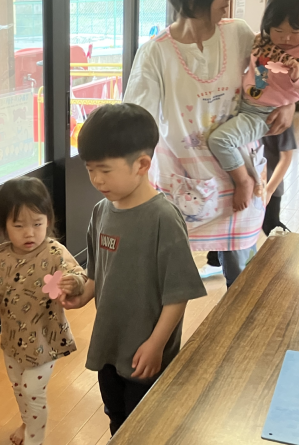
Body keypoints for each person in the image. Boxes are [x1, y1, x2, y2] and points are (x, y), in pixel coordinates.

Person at [123, 0, 296, 287]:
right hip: (186, 187)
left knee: (241, 279)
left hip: (240, 178)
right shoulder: (155, 54)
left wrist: (288, 103)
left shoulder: (239, 34)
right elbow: (136, 124)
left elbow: (272, 72)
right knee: (171, 283)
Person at [60, 104, 207, 435]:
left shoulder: (163, 219)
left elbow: (178, 294)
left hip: (146, 351)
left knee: (146, 427)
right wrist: (81, 294)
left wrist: (156, 344)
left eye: (105, 170)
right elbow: (97, 274)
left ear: (142, 164)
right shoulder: (101, 212)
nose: (96, 179)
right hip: (109, 344)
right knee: (116, 417)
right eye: (90, 169)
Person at [0, 177, 86, 445]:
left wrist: (74, 282)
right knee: (19, 389)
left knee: (32, 390)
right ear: (3, 226)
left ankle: (35, 439)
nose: (30, 233)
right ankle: (27, 422)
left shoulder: (55, 252)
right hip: (12, 341)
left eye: (37, 224)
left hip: (45, 340)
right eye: (19, 225)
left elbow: (78, 274)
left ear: (48, 220)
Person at [207, 0, 299, 211]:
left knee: (220, 141)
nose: (286, 38)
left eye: (294, 32)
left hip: (261, 114)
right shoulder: (263, 40)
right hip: (244, 102)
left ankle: (244, 182)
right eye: (278, 30)